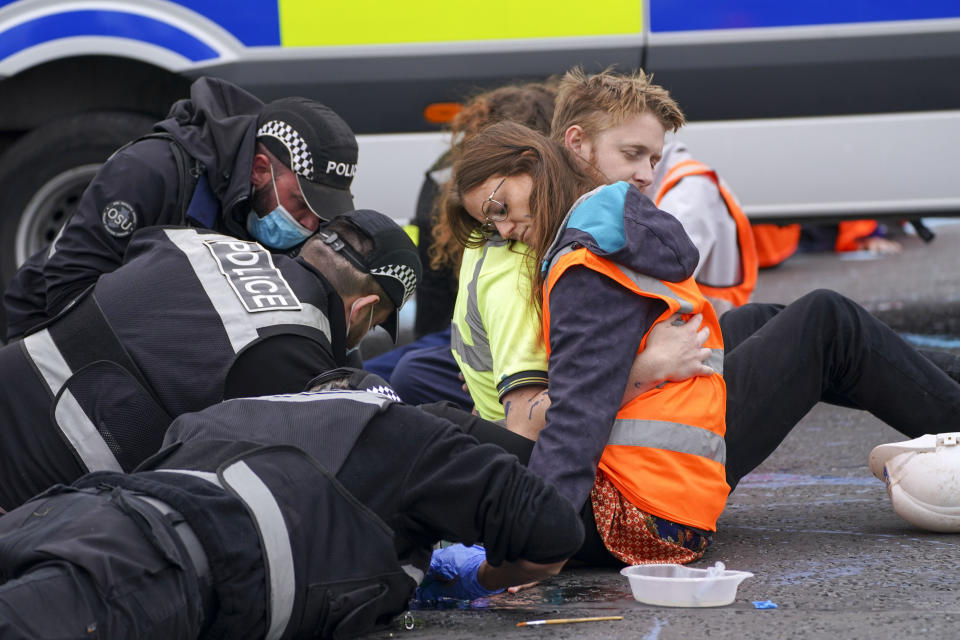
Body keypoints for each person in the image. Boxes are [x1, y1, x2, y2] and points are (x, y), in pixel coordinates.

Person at [446, 120, 960, 567]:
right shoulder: (560, 255)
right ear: (574, 147)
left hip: (644, 483)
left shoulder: (579, 251)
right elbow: (559, 419)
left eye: (653, 157)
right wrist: (543, 540)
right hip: (645, 503)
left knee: (775, 319)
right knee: (827, 321)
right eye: (630, 154)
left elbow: (580, 397)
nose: (505, 228)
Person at [0, 368, 584, 638]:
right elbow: (553, 532)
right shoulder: (409, 433)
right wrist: (480, 576)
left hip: (60, 515)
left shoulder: (224, 413)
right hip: (144, 566)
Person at [0, 209, 420, 511]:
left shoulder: (200, 239)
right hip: (35, 482)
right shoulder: (292, 345)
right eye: (376, 322)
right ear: (362, 308)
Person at [3, 76, 359, 340]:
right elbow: (69, 288)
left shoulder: (279, 210)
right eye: (301, 204)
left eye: (321, 213)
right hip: (45, 330)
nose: (310, 223)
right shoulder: (149, 170)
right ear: (259, 170)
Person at [364, 82, 557, 409]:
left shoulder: (448, 177)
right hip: (468, 337)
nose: (506, 230)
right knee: (385, 374)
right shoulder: (454, 185)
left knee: (395, 375)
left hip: (475, 342)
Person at [552, 69, 757, 315]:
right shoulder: (527, 218)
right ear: (576, 142)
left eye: (652, 161)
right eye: (632, 153)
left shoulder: (688, 191)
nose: (647, 176)